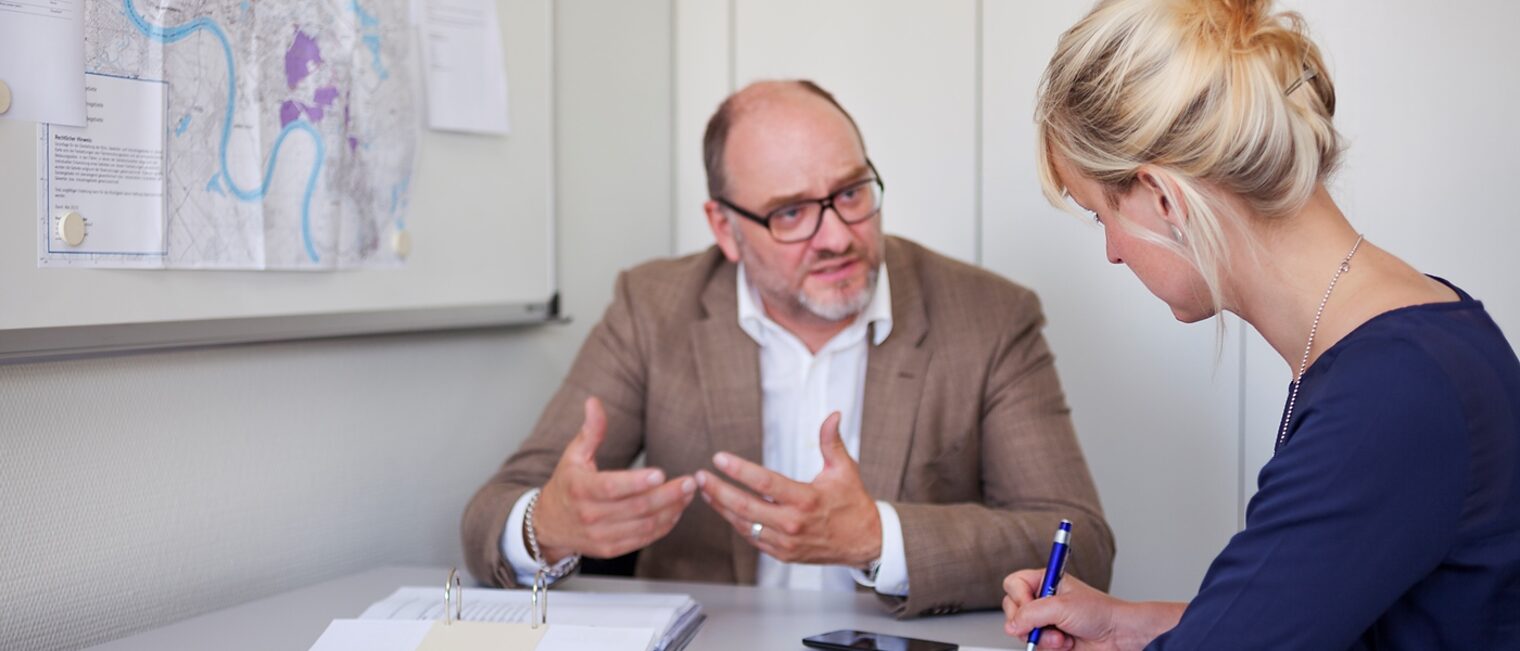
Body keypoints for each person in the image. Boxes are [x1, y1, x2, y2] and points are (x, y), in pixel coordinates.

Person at [462, 80, 1115, 616]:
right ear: (724, 226)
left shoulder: (988, 315)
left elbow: (1079, 541)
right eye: (791, 213)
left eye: (852, 193)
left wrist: (877, 537)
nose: (835, 236)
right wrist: (544, 524)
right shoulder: (653, 307)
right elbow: (491, 511)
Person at [1001, 0, 1520, 648]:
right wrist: (1126, 625)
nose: (1111, 250)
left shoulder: (1391, 395)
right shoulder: (1419, 336)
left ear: (1164, 199)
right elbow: (1348, 613)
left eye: (1101, 214)